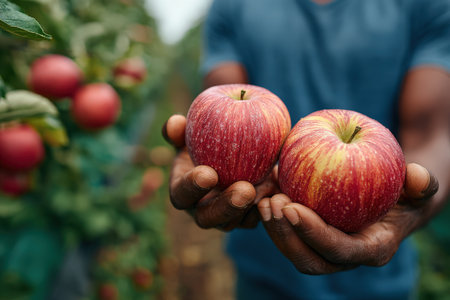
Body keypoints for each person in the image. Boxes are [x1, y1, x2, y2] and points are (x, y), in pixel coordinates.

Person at [163, 0, 450, 299]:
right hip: (263, 264)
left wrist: (414, 208)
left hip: (379, 280)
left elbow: (431, 134)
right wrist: (218, 171)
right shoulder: (232, 5)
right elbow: (226, 112)